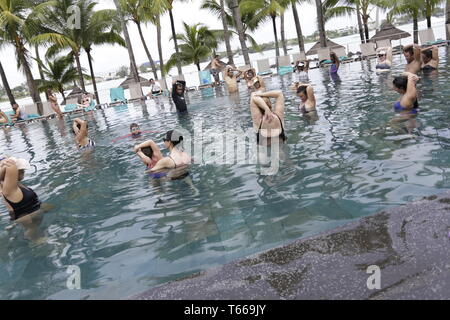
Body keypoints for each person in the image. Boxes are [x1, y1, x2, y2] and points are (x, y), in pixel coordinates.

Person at [0, 157, 41, 221]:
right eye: (21, 170)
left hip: (31, 214)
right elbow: (10, 167)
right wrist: (6, 164)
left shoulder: (15, 185)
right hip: (28, 220)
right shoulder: (9, 190)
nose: (23, 170)